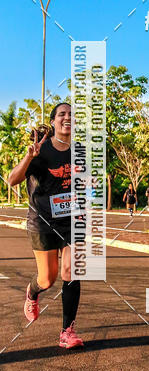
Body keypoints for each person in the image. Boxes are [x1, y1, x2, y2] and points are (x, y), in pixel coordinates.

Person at [7, 102, 84, 349]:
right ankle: (32, 292)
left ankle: (67, 331)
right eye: (62, 114)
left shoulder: (80, 151)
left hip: (71, 220)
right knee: (48, 279)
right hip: (42, 222)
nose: (67, 117)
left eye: (72, 114)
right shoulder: (40, 150)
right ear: (53, 121)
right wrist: (30, 156)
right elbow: (12, 180)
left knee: (71, 270)